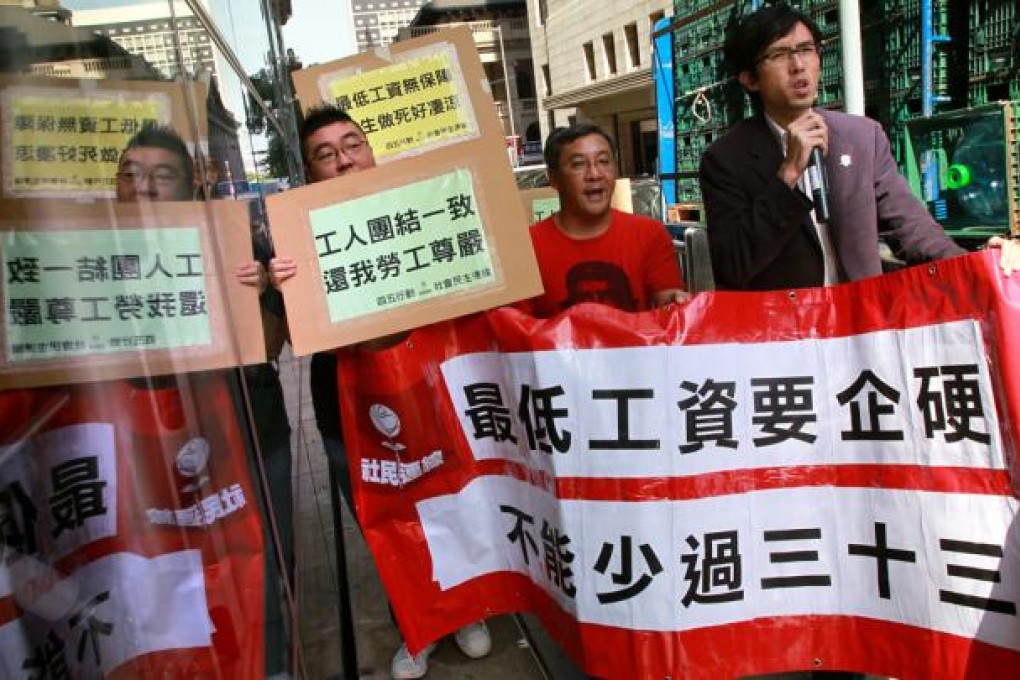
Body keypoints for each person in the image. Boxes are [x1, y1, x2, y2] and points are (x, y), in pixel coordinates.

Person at [269, 104, 492, 680]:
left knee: (451, 501)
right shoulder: (295, 239)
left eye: (353, 144)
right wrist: (284, 290)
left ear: (371, 151)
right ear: (310, 172)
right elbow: (290, 337)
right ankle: (417, 626)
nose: (344, 160)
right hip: (347, 406)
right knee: (386, 520)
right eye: (326, 154)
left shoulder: (421, 207)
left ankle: (467, 609)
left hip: (429, 389)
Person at [119, 125, 295, 679]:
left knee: (264, 557)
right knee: (165, 567)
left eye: (161, 175)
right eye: (130, 173)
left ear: (191, 185)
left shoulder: (234, 239)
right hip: (145, 448)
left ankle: (273, 662)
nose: (143, 186)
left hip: (249, 433)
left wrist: (262, 292)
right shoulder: (83, 255)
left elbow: (271, 345)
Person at [699, 3, 1020, 291]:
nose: (798, 65)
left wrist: (975, 262)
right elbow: (732, 267)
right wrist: (788, 175)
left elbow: (912, 228)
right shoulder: (726, 159)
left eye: (806, 49)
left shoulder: (862, 137)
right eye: (779, 55)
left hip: (862, 325)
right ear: (750, 79)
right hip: (786, 330)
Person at [524, 123, 684, 316]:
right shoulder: (527, 247)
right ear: (553, 177)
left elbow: (668, 307)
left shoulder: (650, 234)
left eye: (603, 161)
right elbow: (514, 326)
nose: (595, 174)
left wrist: (675, 304)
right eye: (578, 164)